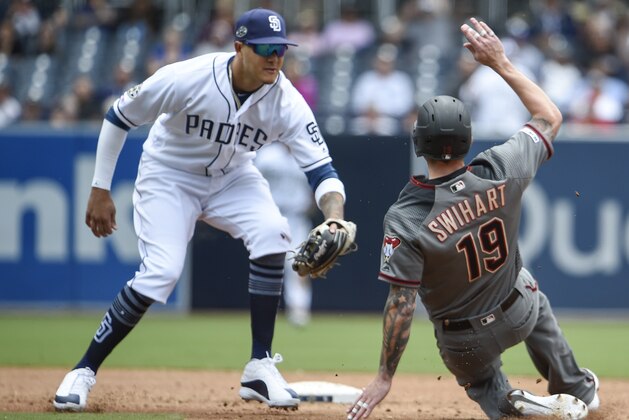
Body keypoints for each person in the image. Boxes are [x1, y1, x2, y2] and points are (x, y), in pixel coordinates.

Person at [53, 7, 351, 412]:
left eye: (281, 50)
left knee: (274, 233)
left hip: (232, 176)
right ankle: (83, 371)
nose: (275, 58)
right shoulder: (188, 77)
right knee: (162, 271)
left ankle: (259, 367)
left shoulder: (286, 101)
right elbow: (118, 116)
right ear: (239, 47)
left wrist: (335, 216)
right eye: (265, 48)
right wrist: (100, 188)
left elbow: (323, 172)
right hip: (169, 174)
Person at [348, 18, 600, 420]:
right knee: (526, 281)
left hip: (464, 341)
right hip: (519, 308)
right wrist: (500, 62)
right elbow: (550, 116)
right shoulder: (503, 167)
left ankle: (509, 403)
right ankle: (575, 387)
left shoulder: (405, 217)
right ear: (468, 138)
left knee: (483, 383)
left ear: (418, 143)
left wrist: (384, 376)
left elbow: (400, 304)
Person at [255, 142, 315, 327]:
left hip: (297, 217)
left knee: (300, 264)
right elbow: (252, 183)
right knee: (268, 263)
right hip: (272, 215)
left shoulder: (306, 156)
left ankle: (299, 308)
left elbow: (313, 188)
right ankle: (264, 308)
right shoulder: (267, 155)